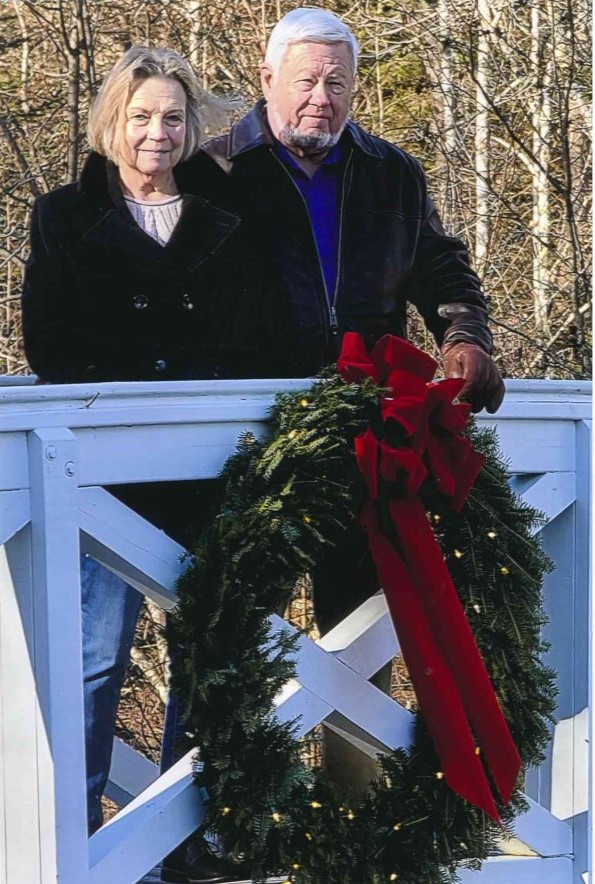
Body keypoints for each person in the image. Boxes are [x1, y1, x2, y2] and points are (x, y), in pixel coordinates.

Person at [197, 7, 505, 800]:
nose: (320, 98)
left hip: (367, 433)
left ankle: (354, 813)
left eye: (337, 83)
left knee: (361, 625)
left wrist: (464, 334)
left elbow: (443, 272)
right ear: (267, 79)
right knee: (243, 629)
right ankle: (238, 812)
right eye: (305, 80)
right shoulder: (212, 172)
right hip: (246, 439)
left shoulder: (390, 173)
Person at [21, 44, 289, 884]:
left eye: (173, 117)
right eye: (140, 116)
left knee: (207, 656)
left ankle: (180, 844)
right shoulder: (64, 215)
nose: (156, 132)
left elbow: (257, 335)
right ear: (112, 119)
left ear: (190, 125)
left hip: (205, 472)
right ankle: (74, 842)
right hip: (100, 478)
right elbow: (49, 345)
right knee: (93, 658)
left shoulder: (227, 214)